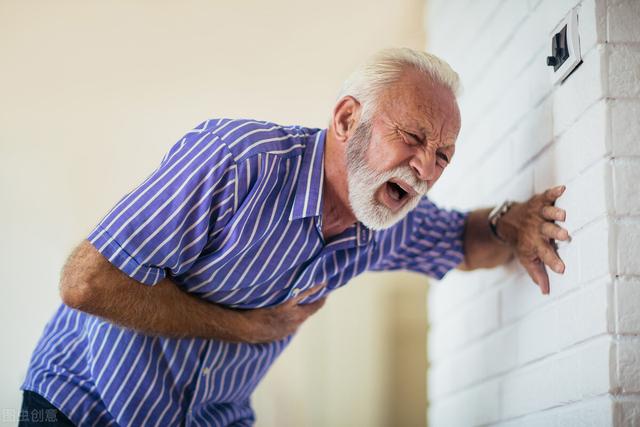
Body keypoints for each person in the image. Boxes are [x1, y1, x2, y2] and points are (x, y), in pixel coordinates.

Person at [19, 47, 570, 426]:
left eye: (443, 155)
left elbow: (464, 240)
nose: (426, 168)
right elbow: (85, 282)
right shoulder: (236, 161)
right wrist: (247, 327)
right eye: (412, 137)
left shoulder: (380, 222)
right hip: (81, 402)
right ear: (348, 118)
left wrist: (512, 221)